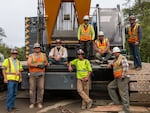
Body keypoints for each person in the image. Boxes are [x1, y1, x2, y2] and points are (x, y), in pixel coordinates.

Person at [107, 47, 130, 113]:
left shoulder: (122, 58)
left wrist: (122, 76)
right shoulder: (116, 59)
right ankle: (116, 102)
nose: (114, 54)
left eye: (114, 53)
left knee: (123, 93)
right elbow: (113, 63)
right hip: (118, 78)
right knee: (110, 87)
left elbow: (126, 67)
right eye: (113, 53)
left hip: (123, 78)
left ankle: (126, 110)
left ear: (118, 53)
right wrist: (110, 64)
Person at [2, 48, 23, 113]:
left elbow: (20, 71)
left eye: (15, 53)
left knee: (14, 94)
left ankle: (12, 106)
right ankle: (9, 108)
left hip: (16, 80)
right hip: (10, 80)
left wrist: (20, 78)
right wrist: (5, 78)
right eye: (13, 53)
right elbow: (3, 70)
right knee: (10, 94)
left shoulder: (18, 62)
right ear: (11, 54)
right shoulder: (7, 60)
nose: (14, 54)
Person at [27, 43, 48, 109]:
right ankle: (32, 103)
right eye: (36, 48)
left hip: (41, 74)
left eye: (38, 48)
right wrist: (38, 65)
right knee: (32, 89)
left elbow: (46, 62)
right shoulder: (31, 55)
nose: (37, 49)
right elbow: (29, 63)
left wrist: (44, 65)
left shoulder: (43, 55)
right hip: (33, 74)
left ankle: (39, 103)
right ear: (34, 49)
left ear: (40, 48)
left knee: (41, 89)